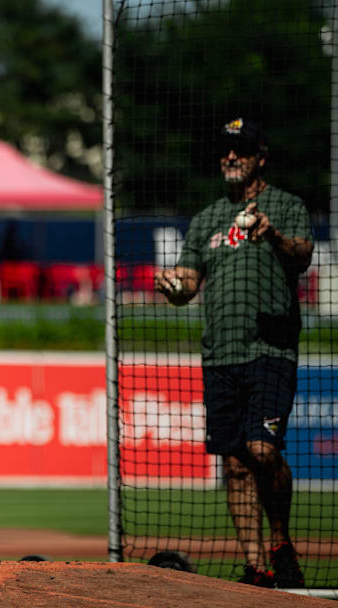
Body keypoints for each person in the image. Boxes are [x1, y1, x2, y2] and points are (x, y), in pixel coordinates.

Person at [154, 117, 313, 588]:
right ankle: (256, 566)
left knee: (263, 451)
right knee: (234, 463)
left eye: (240, 150)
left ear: (260, 156)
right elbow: (187, 280)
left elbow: (303, 256)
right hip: (220, 353)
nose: (230, 157)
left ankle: (280, 539)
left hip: (270, 348)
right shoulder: (207, 218)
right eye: (225, 149)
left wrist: (273, 235)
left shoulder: (284, 204)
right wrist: (173, 286)